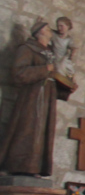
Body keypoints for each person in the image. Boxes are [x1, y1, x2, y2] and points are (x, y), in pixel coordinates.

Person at [0, 18, 59, 176]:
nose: (50, 31)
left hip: (47, 97)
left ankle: (36, 167)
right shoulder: (27, 49)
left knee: (42, 133)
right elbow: (19, 73)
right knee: (29, 129)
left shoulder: (50, 53)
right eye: (47, 29)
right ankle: (20, 165)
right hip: (32, 97)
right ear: (40, 32)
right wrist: (44, 69)